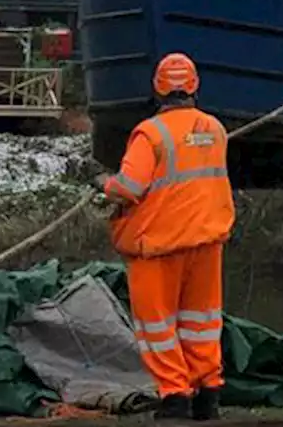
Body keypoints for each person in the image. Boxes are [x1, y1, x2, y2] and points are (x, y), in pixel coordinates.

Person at [96, 53, 236, 421]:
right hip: (206, 242)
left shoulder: (150, 133)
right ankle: (208, 394)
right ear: (194, 86)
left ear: (157, 88)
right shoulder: (215, 130)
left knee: (157, 325)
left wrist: (103, 184)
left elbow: (128, 187)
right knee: (202, 322)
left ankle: (175, 396)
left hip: (158, 245)